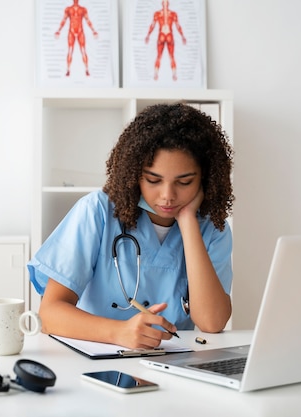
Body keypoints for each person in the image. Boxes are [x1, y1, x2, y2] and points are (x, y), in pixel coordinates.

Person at [28, 103, 234, 349]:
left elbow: (212, 322)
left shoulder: (211, 229)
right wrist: (120, 333)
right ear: (134, 173)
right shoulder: (97, 211)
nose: (168, 195)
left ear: (206, 178)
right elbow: (50, 314)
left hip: (172, 363)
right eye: (153, 180)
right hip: (96, 355)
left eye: (185, 181)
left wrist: (188, 221)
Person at [55, 0, 98, 77]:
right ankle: (68, 70)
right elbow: (64, 20)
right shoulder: (68, 9)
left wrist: (93, 30)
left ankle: (87, 69)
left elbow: (88, 20)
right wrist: (58, 30)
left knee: (83, 50)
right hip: (71, 32)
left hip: (80, 32)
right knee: (70, 50)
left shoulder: (83, 9)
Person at [145, 0, 186, 81]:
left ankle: (157, 74)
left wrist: (148, 35)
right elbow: (178, 26)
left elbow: (152, 25)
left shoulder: (158, 14)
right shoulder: (172, 14)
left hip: (163, 35)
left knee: (160, 56)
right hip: (167, 35)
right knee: (170, 57)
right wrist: (182, 36)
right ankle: (172, 75)